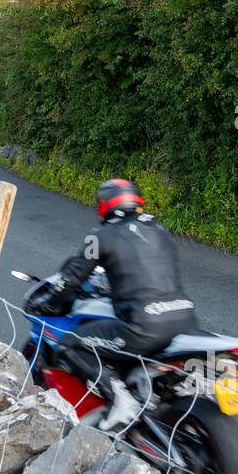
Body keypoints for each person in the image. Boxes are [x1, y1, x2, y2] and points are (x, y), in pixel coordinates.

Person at [39, 179, 197, 431]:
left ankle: (120, 400)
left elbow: (73, 276)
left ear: (104, 206)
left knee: (70, 342)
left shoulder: (100, 236)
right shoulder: (159, 229)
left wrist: (50, 300)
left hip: (143, 329)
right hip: (185, 322)